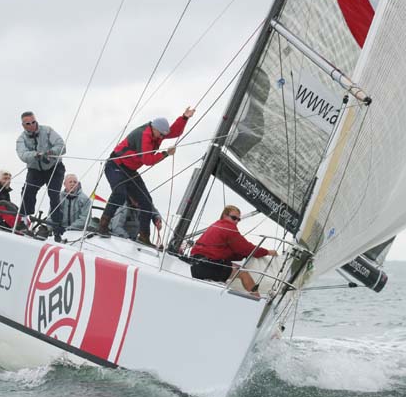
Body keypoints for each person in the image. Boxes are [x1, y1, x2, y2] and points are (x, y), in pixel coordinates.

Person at [98, 106, 195, 245]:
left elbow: (174, 132)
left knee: (146, 201)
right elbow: (147, 160)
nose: (162, 137)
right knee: (120, 193)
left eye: (163, 135)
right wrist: (165, 154)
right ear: (154, 129)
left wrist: (184, 117)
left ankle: (144, 237)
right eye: (161, 135)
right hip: (116, 165)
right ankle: (103, 226)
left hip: (130, 169)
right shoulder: (144, 135)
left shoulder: (157, 131)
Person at [189, 205, 278, 296]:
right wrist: (267, 252)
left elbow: (225, 252)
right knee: (243, 272)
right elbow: (246, 248)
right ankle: (257, 299)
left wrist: (242, 255)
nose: (236, 221)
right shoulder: (228, 227)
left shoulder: (216, 225)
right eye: (234, 218)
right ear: (224, 215)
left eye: (238, 219)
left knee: (231, 269)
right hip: (208, 265)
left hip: (196, 265)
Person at [16, 111, 66, 240]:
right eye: (28, 123)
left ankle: (57, 228)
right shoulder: (21, 139)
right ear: (23, 125)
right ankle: (23, 222)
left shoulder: (48, 130)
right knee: (27, 191)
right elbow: (22, 155)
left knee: (54, 194)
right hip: (35, 169)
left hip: (53, 167)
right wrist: (35, 155)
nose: (32, 125)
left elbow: (61, 145)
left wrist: (50, 152)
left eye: (33, 122)